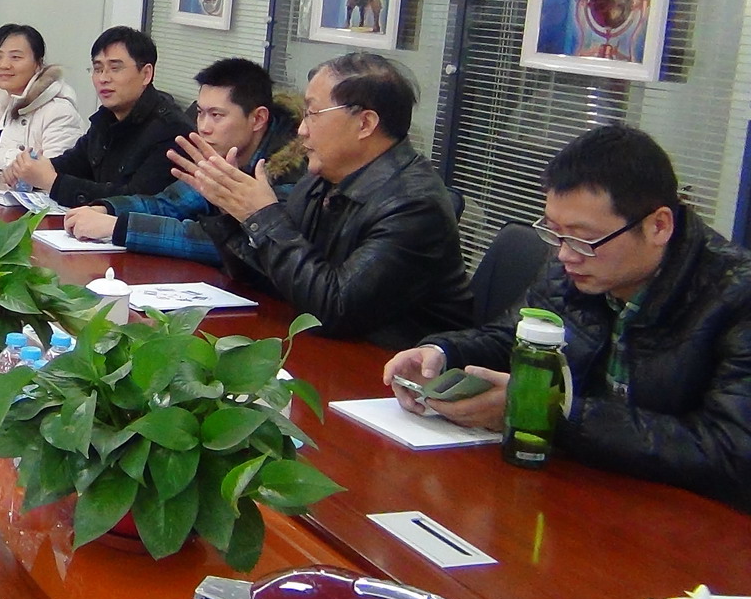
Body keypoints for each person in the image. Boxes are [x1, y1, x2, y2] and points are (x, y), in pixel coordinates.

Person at [383, 125, 751, 511]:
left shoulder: (736, 295)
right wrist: (442, 353)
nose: (564, 254)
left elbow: (730, 451)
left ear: (658, 225)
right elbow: (515, 337)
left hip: (679, 517)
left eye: (582, 238)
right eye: (555, 232)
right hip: (578, 487)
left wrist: (546, 410)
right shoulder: (575, 261)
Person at [171, 51, 472, 348]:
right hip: (321, 349)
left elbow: (336, 310)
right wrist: (231, 212)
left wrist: (263, 217)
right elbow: (275, 281)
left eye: (313, 114)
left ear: (365, 123)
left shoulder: (414, 206)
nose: (301, 130)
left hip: (387, 364)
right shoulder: (320, 180)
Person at [62, 57, 305, 262]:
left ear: (258, 119)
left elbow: (234, 246)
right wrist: (107, 208)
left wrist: (118, 227)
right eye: (200, 113)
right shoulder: (219, 153)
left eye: (217, 115)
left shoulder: (291, 173)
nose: (204, 127)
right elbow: (168, 204)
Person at [3, 26, 189, 207]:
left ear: (146, 74)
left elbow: (136, 201)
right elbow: (73, 163)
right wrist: (29, 169)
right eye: (98, 69)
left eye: (115, 68)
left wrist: (52, 181)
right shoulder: (106, 119)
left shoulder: (171, 131)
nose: (103, 78)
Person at [0, 24, 85, 169]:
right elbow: (4, 142)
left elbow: (54, 170)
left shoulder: (59, 111)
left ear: (38, 64)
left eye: (15, 57)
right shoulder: (3, 99)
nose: (4, 65)